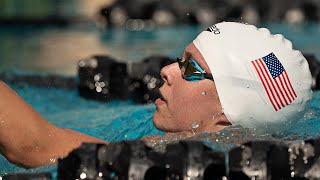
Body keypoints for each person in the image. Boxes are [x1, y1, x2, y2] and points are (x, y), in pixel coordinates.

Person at [0, 22, 313, 168]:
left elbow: (34, 146)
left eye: (190, 68)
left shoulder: (183, 156)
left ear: (227, 110)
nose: (166, 69)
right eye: (179, 60)